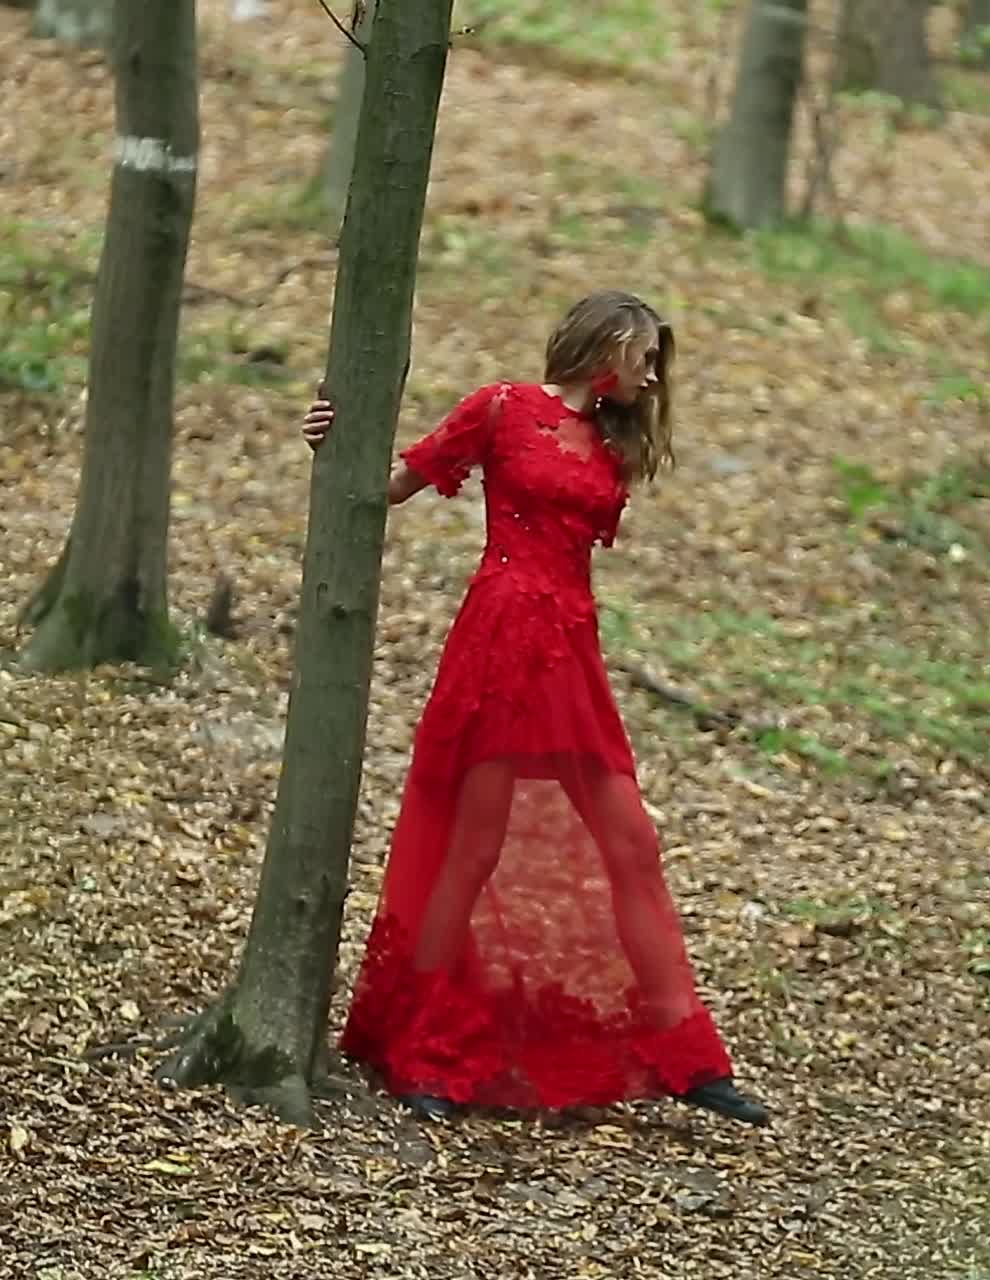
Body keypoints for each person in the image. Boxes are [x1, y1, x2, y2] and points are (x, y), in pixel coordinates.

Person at [301, 290, 767, 1127]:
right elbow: (391, 485)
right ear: (607, 347)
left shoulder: (613, 443)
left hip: (573, 652)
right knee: (475, 845)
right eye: (645, 356)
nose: (653, 373)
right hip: (503, 640)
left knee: (633, 840)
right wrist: (331, 442)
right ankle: (424, 1053)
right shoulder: (502, 408)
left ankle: (688, 1056)